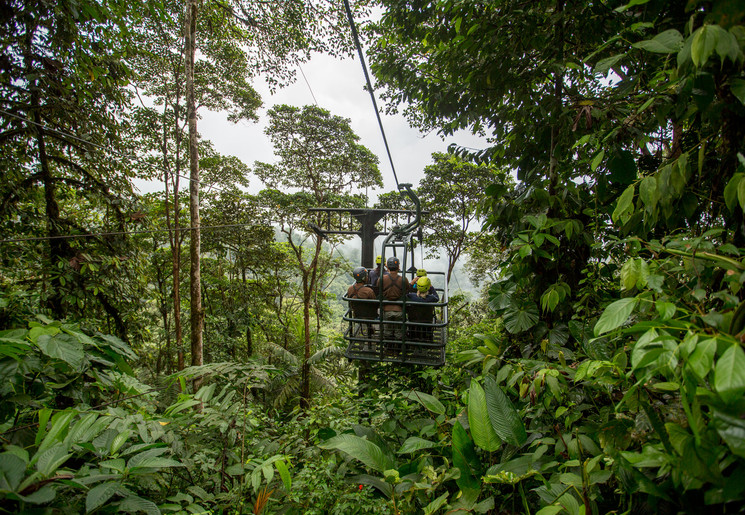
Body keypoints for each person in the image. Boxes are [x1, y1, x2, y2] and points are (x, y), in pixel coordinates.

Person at [379, 256, 408, 340]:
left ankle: (388, 349)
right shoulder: (403, 279)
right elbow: (407, 290)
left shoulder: (382, 279)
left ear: (387, 266)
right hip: (399, 309)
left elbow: (378, 290)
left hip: (386, 309)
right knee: (399, 333)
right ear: (398, 267)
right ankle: (398, 349)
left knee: (387, 331)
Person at [347, 266, 377, 339]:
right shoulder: (369, 291)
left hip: (357, 314)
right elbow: (375, 303)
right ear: (363, 278)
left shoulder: (350, 289)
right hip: (370, 316)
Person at [406, 276, 438, 341]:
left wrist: (412, 283)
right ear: (428, 287)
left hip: (413, 323)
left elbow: (404, 293)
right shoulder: (431, 298)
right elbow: (437, 297)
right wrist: (431, 286)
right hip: (426, 324)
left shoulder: (411, 296)